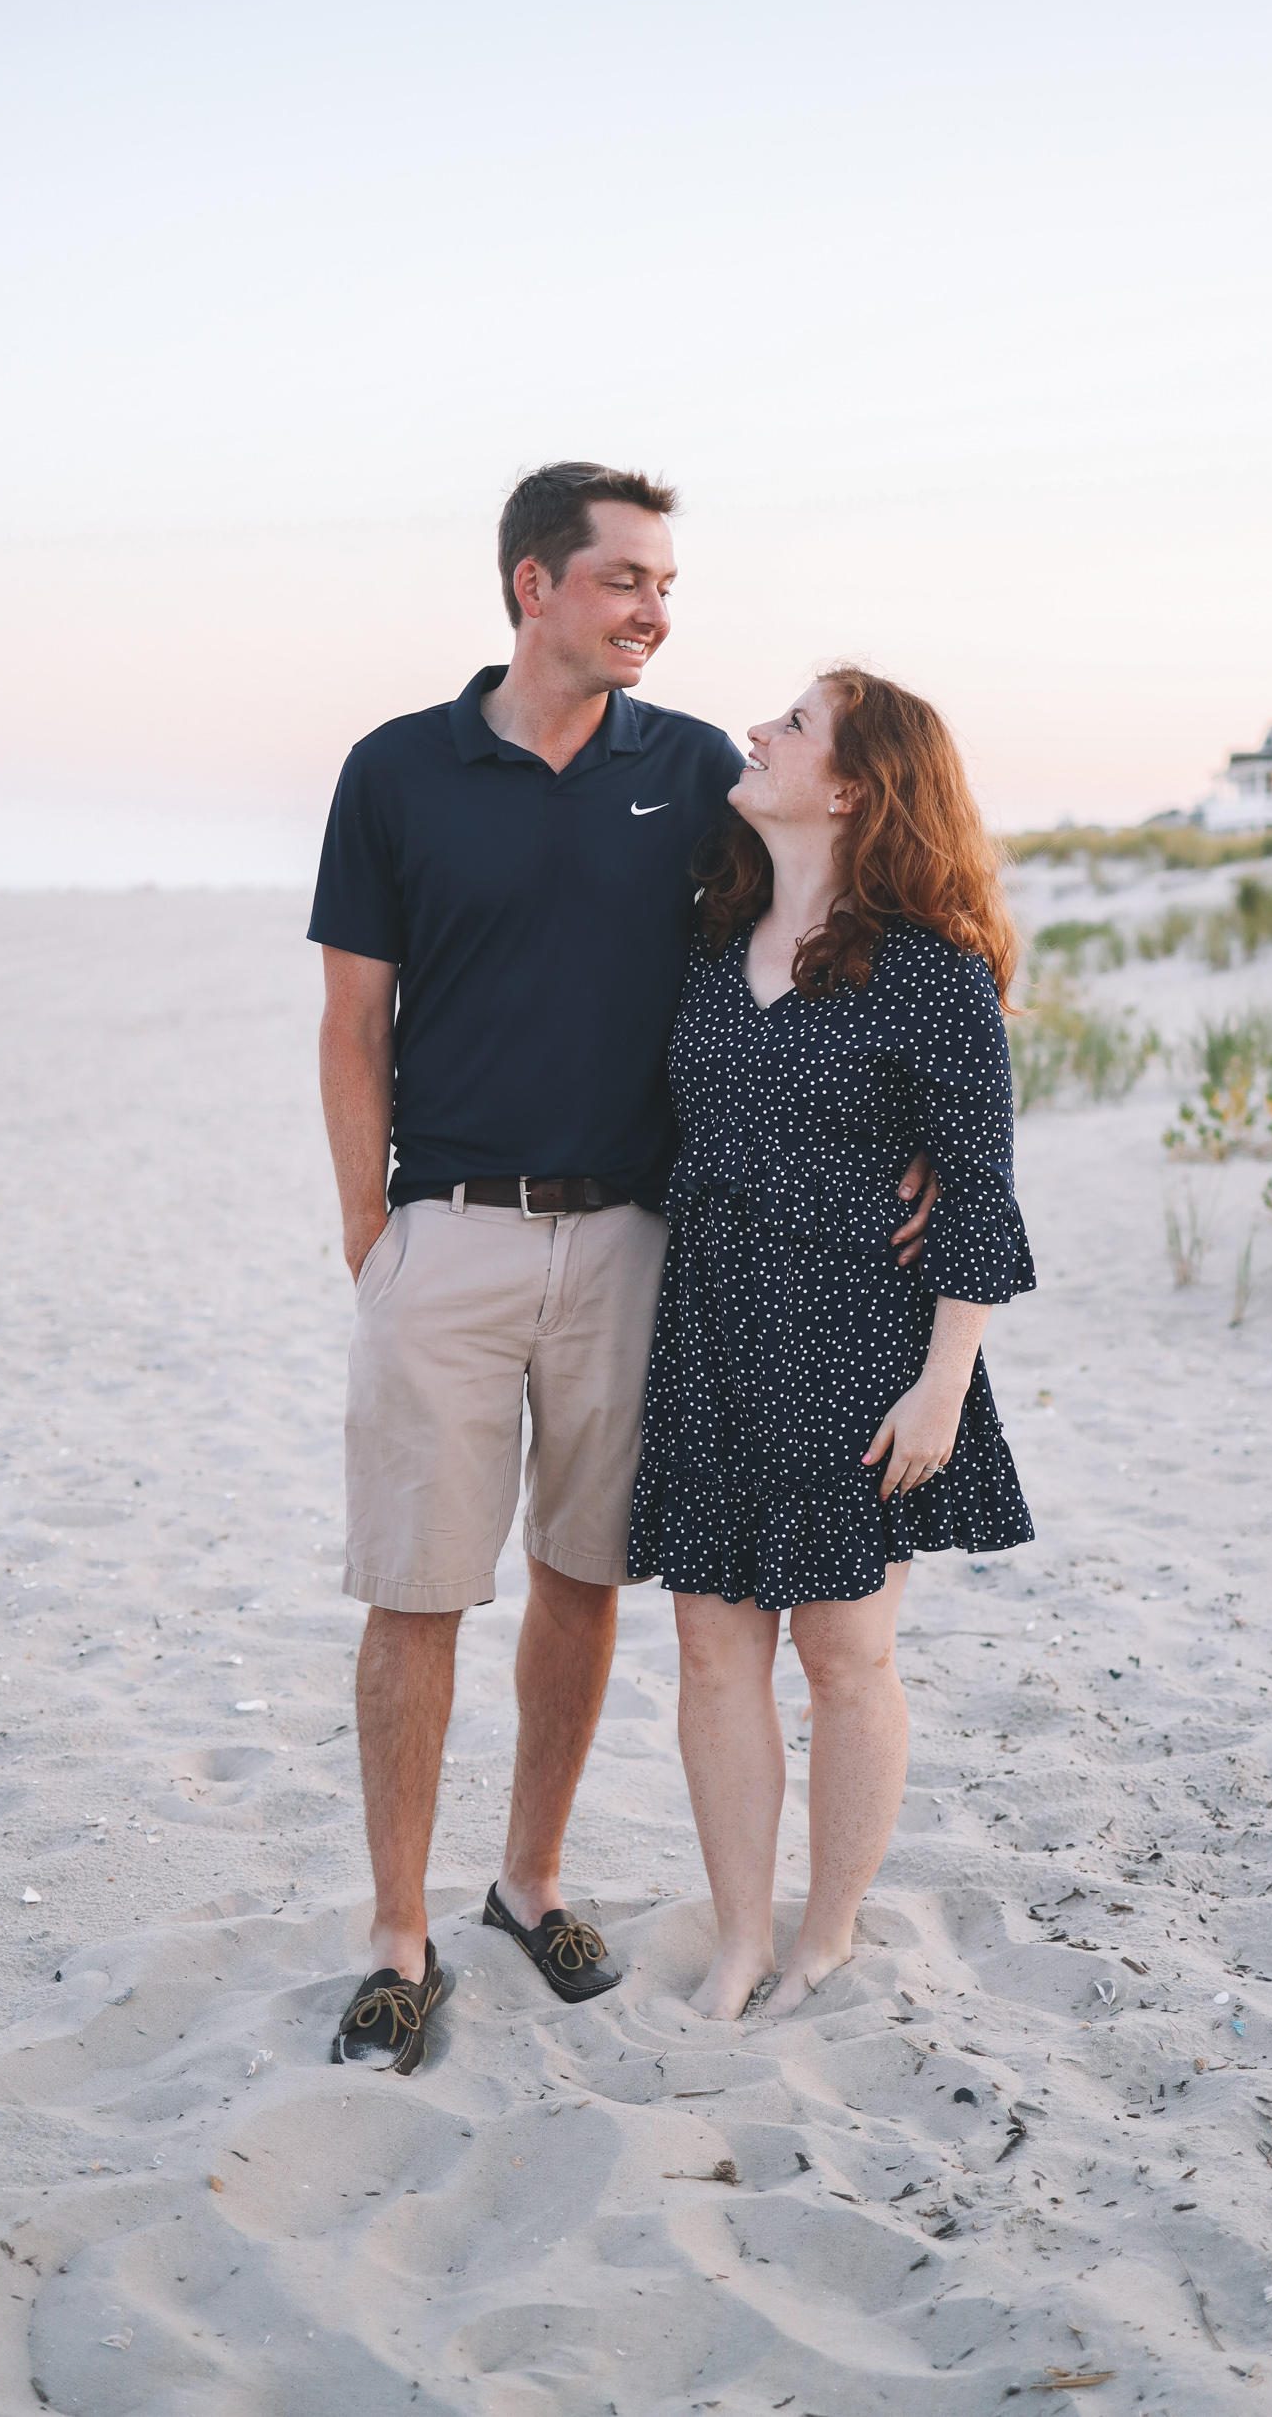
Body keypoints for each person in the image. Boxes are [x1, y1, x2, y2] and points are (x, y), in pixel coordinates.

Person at [308, 467, 937, 2072]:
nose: (658, 612)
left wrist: (923, 1123)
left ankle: (530, 1885)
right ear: (535, 586)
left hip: (641, 1246)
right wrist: (372, 1237)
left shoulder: (697, 775)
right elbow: (351, 1021)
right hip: (445, 1231)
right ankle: (398, 1934)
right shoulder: (394, 772)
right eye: (627, 582)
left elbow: (854, 907)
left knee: (583, 1579)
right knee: (417, 1588)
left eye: (667, 585)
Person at [627, 668, 1036, 2021]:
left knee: (845, 1654)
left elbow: (978, 1185)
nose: (758, 731)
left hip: (861, 1340)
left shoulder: (930, 972)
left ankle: (832, 1930)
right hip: (708, 1332)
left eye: (792, 724)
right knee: (711, 1648)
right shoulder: (706, 938)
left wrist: (943, 1388)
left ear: (853, 786)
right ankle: (742, 1931)